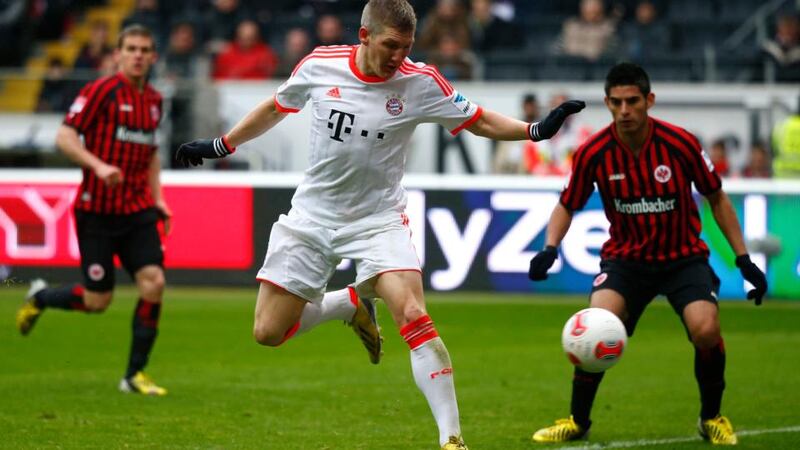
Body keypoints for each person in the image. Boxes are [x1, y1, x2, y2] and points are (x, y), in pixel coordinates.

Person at [175, 1, 584, 448]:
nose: (398, 57)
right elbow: (276, 107)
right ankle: (348, 304)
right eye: (391, 45)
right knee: (268, 333)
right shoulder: (321, 65)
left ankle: (452, 440)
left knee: (412, 312)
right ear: (365, 35)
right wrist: (221, 144)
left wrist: (534, 131)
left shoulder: (421, 81)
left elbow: (479, 119)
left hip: (378, 220)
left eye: (406, 47)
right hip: (313, 215)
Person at [527, 62, 767, 446]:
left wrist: (743, 259)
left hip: (683, 257)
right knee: (596, 324)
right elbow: (567, 204)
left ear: (649, 100)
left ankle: (711, 417)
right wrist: (549, 248)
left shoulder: (681, 143)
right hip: (626, 261)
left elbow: (716, 196)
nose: (625, 110)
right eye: (617, 102)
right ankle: (577, 420)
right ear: (607, 103)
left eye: (633, 101)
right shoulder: (594, 152)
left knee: (706, 330)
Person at [16, 24, 172, 396]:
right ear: (117, 54)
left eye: (144, 49)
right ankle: (41, 297)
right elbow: (65, 136)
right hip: (97, 212)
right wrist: (98, 166)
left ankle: (134, 376)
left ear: (152, 57)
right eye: (130, 48)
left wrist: (159, 198)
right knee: (97, 301)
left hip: (137, 210)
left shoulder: (154, 100)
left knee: (154, 282)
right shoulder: (100, 91)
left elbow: (150, 154)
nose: (137, 55)